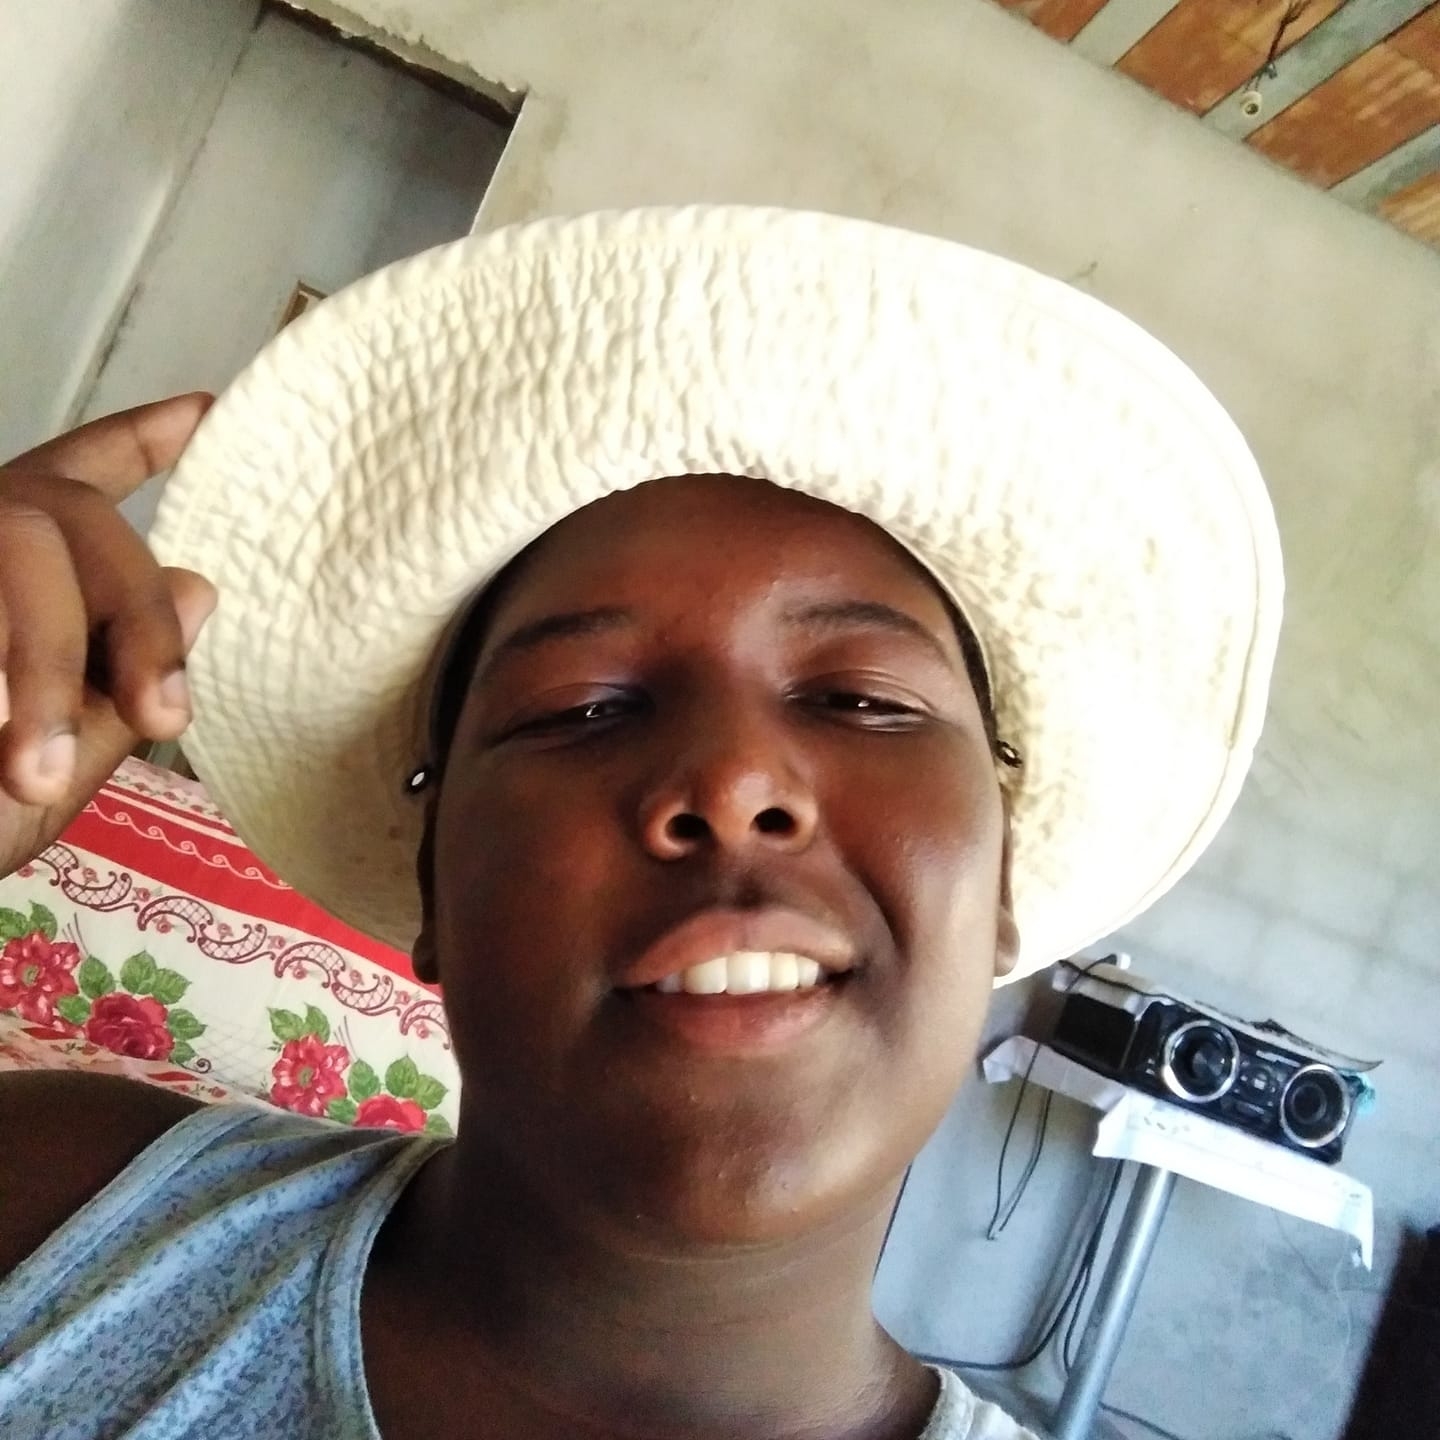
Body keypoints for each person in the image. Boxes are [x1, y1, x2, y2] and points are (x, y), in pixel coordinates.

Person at [0, 208, 1280, 1439]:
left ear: (1002, 883)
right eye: (580, 708)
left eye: (863, 699)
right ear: (434, 879)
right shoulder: (52, 1204)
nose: (733, 780)